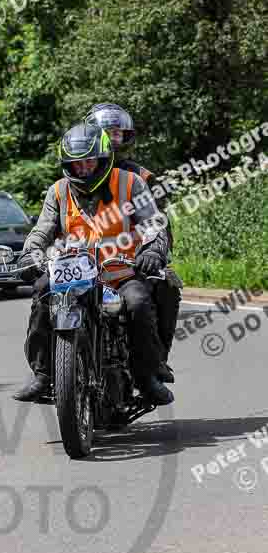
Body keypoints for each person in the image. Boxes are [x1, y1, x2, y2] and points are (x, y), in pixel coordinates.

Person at [13, 122, 174, 406]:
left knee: (138, 303)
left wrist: (152, 251)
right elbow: (42, 230)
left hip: (120, 271)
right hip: (71, 274)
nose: (84, 169)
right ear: (68, 166)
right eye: (77, 164)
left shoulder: (129, 182)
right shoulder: (59, 191)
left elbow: (154, 224)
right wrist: (30, 254)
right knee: (41, 294)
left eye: (89, 162)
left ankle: (146, 376)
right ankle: (42, 374)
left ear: (102, 159)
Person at [85, 103, 183, 381]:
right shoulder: (77, 172)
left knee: (165, 286)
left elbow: (159, 222)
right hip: (85, 263)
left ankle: (155, 363)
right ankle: (52, 369)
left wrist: (155, 251)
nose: (112, 139)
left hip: (130, 261)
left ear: (126, 137)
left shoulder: (142, 177)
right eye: (106, 133)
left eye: (118, 134)